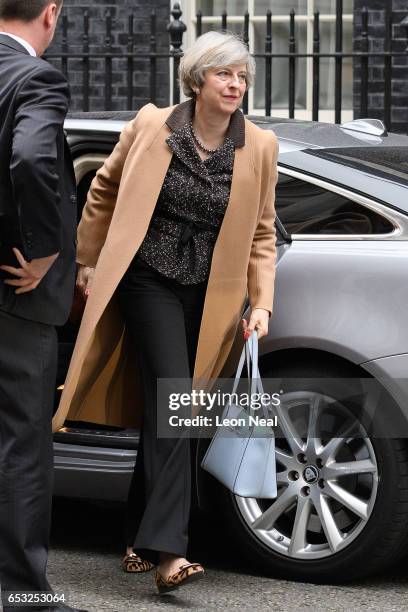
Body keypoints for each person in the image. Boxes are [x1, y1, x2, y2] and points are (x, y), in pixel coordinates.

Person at [52, 31, 279, 595]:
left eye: (242, 76)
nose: (235, 85)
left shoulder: (261, 146)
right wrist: (86, 259)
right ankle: (170, 553)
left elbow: (261, 234)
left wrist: (262, 302)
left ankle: (136, 536)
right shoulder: (154, 125)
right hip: (148, 277)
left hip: (213, 292)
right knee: (179, 398)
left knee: (172, 408)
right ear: (197, 79)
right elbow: (101, 189)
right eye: (224, 74)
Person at [0, 1, 81, 610]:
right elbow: (30, 156)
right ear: (49, 13)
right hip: (15, 295)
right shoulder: (36, 78)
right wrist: (46, 248)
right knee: (21, 446)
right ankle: (21, 595)